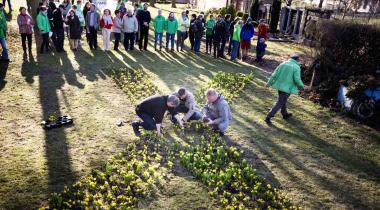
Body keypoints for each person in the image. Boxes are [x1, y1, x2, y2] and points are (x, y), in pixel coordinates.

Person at [265, 53, 311, 124]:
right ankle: (269, 116)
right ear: (297, 60)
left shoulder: (283, 64)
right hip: (287, 88)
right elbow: (297, 79)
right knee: (280, 102)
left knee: (283, 100)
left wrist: (269, 83)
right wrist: (301, 86)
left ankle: (285, 114)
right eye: (299, 59)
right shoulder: (296, 67)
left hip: (280, 87)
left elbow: (274, 74)